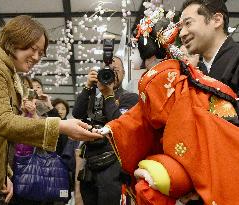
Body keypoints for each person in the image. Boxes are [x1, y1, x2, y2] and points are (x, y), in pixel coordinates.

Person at [95, 3, 239, 205]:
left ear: (216, 20)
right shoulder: (192, 72)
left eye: (188, 23)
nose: (183, 32)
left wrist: (206, 178)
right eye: (181, 26)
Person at [0, 15, 102, 204]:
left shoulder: (6, 71)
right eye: (32, 49)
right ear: (14, 40)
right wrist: (60, 126)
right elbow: (2, 122)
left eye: (40, 52)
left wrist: (5, 175)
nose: (36, 57)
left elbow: (0, 134)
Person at [72, 56, 139, 205]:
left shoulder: (130, 97)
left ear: (123, 73)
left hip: (114, 166)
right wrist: (88, 87)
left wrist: (109, 95)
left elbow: (119, 124)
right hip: (90, 166)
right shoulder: (94, 98)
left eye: (115, 70)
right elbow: (77, 113)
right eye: (107, 71)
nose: (111, 74)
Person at [179, 0, 239, 95]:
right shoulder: (197, 70)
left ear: (217, 20)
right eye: (180, 28)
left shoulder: (236, 60)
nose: (181, 34)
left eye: (188, 23)